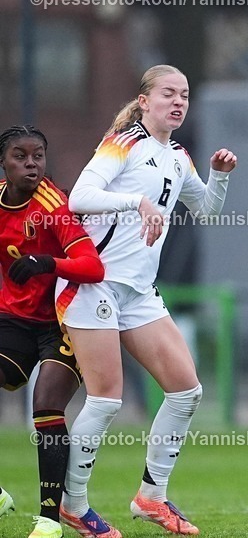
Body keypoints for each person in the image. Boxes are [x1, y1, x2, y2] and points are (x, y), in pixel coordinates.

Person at [57, 65, 237, 538]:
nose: (177, 102)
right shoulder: (124, 142)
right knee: (105, 398)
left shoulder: (178, 155)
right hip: (94, 283)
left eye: (184, 95)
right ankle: (73, 504)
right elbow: (78, 198)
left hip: (138, 291)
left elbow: (205, 209)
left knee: (186, 389)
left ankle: (150, 498)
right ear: (144, 101)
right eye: (167, 94)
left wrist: (218, 177)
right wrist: (136, 202)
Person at [0, 126, 105, 538]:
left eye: (38, 155)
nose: (31, 163)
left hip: (64, 319)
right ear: (4, 163)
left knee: (46, 404)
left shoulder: (54, 206)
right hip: (13, 320)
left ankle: (49, 518)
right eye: (20, 156)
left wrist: (47, 263)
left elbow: (93, 267)